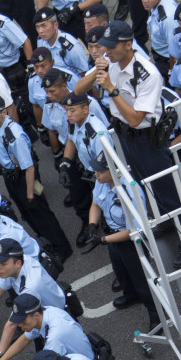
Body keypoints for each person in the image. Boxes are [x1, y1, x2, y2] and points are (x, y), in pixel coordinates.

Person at [94, 20, 181, 241]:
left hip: (147, 140)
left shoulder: (148, 73)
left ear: (128, 45)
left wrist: (112, 90)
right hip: (126, 137)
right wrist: (97, 70)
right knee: (145, 183)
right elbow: (77, 89)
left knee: (170, 192)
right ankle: (169, 222)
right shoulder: (111, 62)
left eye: (112, 46)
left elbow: (135, 118)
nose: (107, 51)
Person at [0, 95, 72, 263]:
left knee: (40, 212)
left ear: (4, 112)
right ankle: (46, 242)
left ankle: (62, 248)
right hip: (10, 176)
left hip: (24, 178)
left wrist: (30, 194)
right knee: (27, 215)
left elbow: (29, 167)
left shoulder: (14, 136)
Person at [81, 152, 160, 331]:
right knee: (121, 271)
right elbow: (95, 204)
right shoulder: (102, 182)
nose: (96, 174)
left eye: (100, 171)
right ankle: (131, 295)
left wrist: (102, 240)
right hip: (113, 236)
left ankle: (156, 313)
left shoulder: (130, 190)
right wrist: (92, 225)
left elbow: (134, 230)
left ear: (113, 171)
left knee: (142, 279)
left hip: (131, 241)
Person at [0, 239, 65, 351]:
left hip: (56, 322)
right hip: (40, 314)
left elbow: (12, 324)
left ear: (17, 263)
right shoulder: (16, 265)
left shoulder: (30, 287)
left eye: (3, 263)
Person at [41, 75, 107, 247]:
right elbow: (71, 138)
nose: (68, 113)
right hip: (81, 158)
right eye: (67, 111)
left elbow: (106, 139)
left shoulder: (89, 110)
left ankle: (108, 226)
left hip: (100, 166)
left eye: (71, 111)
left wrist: (98, 172)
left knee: (104, 197)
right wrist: (65, 163)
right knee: (78, 194)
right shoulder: (72, 116)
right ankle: (88, 223)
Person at [27, 47, 79, 144]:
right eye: (36, 66)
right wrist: (41, 128)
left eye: (43, 66)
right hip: (54, 122)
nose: (39, 71)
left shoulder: (68, 78)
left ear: (52, 62)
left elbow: (83, 97)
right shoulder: (32, 81)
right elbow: (36, 105)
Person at [140, 0, 179, 83]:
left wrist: (171, 72)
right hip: (159, 55)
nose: (145, 1)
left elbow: (174, 50)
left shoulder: (167, 19)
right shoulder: (158, 2)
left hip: (166, 60)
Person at [33, 8, 89, 77]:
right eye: (37, 27)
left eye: (44, 25)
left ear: (55, 25)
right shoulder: (40, 41)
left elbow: (86, 75)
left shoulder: (73, 48)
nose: (40, 31)